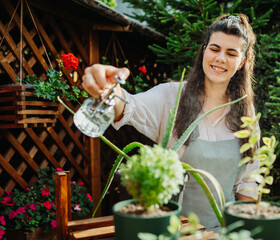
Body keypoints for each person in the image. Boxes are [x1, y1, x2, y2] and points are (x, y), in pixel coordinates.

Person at [82, 13, 259, 232]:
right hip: (172, 230)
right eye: (214, 49)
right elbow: (128, 107)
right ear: (204, 50)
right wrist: (108, 88)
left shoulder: (245, 112)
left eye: (231, 53)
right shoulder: (171, 96)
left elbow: (248, 182)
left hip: (223, 233)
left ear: (241, 62)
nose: (221, 58)